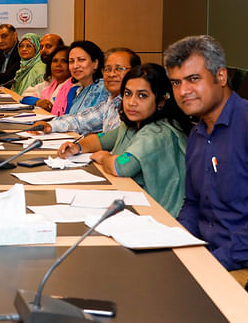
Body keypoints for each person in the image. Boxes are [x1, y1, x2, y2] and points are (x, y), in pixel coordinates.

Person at [165, 35, 248, 277]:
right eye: (175, 83)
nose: (183, 91)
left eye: (193, 79)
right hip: (207, 257)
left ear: (221, 76)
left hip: (241, 265)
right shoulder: (197, 134)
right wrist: (177, 243)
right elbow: (193, 205)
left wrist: (212, 264)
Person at [58, 64, 191, 216]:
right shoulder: (133, 123)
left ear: (161, 100)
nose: (132, 102)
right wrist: (78, 147)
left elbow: (120, 167)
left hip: (160, 212)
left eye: (142, 95)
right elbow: (103, 139)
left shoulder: (158, 131)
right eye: (128, 93)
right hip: (133, 198)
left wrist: (104, 157)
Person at [42, 47, 140, 133]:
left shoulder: (137, 105)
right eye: (107, 69)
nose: (111, 74)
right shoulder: (111, 103)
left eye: (119, 69)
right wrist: (50, 125)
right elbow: (81, 120)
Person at [61, 40, 110, 116]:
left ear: (95, 63)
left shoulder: (105, 88)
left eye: (81, 60)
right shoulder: (78, 90)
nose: (75, 66)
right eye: (71, 61)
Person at [20, 45, 72, 114]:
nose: (58, 64)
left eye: (64, 61)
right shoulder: (50, 82)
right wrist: (37, 101)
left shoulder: (73, 86)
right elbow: (24, 97)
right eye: (55, 61)